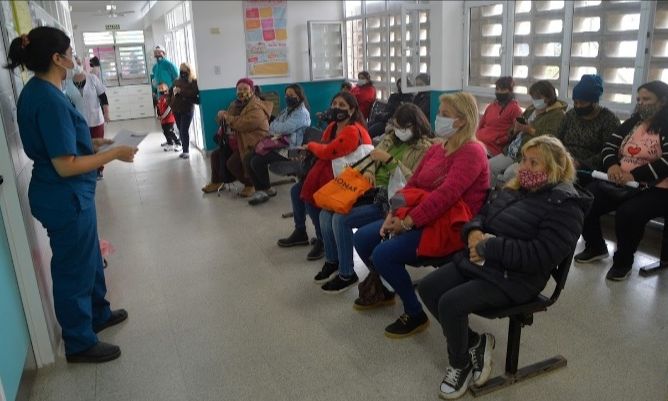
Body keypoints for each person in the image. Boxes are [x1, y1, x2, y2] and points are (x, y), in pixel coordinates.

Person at [417, 136, 591, 399]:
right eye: (524, 160)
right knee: (429, 288)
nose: (524, 167)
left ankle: (460, 364)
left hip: (517, 279)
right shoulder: (514, 188)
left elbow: (540, 256)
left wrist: (491, 246)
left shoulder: (566, 207)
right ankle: (475, 342)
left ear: (555, 168)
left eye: (534, 163)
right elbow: (481, 216)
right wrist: (474, 232)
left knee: (450, 303)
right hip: (482, 261)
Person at [5, 26, 137, 363]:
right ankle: (79, 342)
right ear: (57, 58)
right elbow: (65, 165)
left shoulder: (45, 91)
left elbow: (64, 145)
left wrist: (99, 143)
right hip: (64, 196)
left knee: (89, 256)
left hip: (71, 194)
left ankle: (98, 313)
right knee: (73, 269)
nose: (74, 58)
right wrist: (115, 154)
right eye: (69, 52)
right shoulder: (47, 99)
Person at [352, 92, 490, 338]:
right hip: (420, 216)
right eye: (439, 113)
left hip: (450, 226)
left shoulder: (473, 152)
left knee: (383, 254)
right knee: (362, 238)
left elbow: (446, 196)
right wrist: (393, 213)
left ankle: (414, 312)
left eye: (444, 114)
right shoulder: (438, 149)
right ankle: (387, 288)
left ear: (461, 120)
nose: (438, 118)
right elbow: (410, 185)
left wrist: (407, 223)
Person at [317, 103, 433, 293]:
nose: (398, 130)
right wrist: (370, 171)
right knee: (325, 213)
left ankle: (347, 274)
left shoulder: (425, 149)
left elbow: (413, 181)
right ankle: (333, 261)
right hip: (368, 189)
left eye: (403, 127)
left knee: (340, 219)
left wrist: (389, 160)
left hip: (390, 199)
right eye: (396, 125)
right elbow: (371, 158)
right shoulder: (390, 138)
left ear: (415, 126)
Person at [575, 80, 668, 280]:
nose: (641, 103)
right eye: (638, 99)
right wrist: (613, 166)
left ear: (662, 101)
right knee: (584, 199)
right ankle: (596, 246)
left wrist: (634, 175)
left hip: (657, 188)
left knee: (629, 213)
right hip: (622, 181)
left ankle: (623, 262)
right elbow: (609, 146)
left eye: (647, 99)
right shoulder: (634, 121)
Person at [277, 92, 372, 261]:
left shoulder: (353, 130)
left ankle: (323, 239)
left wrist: (311, 146)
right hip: (329, 172)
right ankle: (301, 232)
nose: (336, 108)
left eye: (342, 105)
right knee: (296, 191)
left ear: (351, 110)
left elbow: (328, 152)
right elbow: (323, 150)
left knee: (312, 196)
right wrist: (310, 150)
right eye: (334, 104)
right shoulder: (332, 127)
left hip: (348, 178)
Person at [488, 80, 567, 186]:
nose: (535, 100)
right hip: (513, 150)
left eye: (538, 97)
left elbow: (550, 138)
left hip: (530, 155)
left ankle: (507, 197)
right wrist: (515, 129)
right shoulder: (532, 109)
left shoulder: (557, 115)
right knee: (488, 166)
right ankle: (492, 196)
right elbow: (514, 127)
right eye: (533, 97)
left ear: (548, 97)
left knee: (509, 174)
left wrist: (529, 130)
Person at [246, 84, 311, 205]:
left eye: (291, 95)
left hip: (292, 150)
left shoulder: (302, 113)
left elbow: (284, 128)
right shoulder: (287, 110)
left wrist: (278, 129)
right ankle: (260, 189)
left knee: (257, 160)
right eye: (286, 95)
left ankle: (266, 189)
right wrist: (278, 129)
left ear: (300, 97)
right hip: (279, 145)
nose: (288, 98)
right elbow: (272, 125)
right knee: (249, 157)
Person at [556, 74, 620, 184]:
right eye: (576, 102)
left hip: (590, 170)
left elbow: (609, 150)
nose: (578, 106)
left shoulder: (609, 119)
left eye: (583, 102)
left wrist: (580, 163)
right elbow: (557, 139)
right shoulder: (571, 115)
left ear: (594, 101)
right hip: (563, 161)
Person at [218, 78, 273, 197]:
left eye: (245, 89)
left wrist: (227, 118)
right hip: (239, 139)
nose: (242, 92)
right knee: (217, 155)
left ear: (252, 91)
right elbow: (224, 119)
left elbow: (244, 124)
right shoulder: (235, 104)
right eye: (239, 89)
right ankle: (216, 181)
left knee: (232, 163)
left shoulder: (257, 106)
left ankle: (251, 184)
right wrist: (221, 116)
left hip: (254, 142)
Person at [475, 76, 523, 156]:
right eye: (497, 89)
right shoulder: (491, 106)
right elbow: (481, 125)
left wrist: (501, 140)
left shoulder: (515, 109)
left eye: (503, 89)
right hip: (479, 141)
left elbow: (516, 131)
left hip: (493, 148)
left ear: (510, 91)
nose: (499, 92)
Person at [171, 62, 200, 159]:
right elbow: (171, 93)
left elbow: (194, 93)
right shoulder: (176, 81)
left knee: (184, 130)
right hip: (176, 109)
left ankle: (186, 151)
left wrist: (181, 91)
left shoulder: (193, 81)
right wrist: (170, 102)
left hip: (187, 109)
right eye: (181, 70)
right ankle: (184, 148)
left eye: (184, 70)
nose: (182, 72)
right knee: (180, 129)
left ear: (188, 71)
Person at [156, 83, 180, 152]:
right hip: (163, 120)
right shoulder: (160, 98)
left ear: (166, 89)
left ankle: (178, 143)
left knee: (170, 132)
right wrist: (158, 115)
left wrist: (163, 116)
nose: (160, 90)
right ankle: (170, 144)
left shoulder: (168, 97)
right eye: (159, 88)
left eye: (162, 88)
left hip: (169, 119)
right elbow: (158, 108)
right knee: (165, 132)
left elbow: (169, 108)